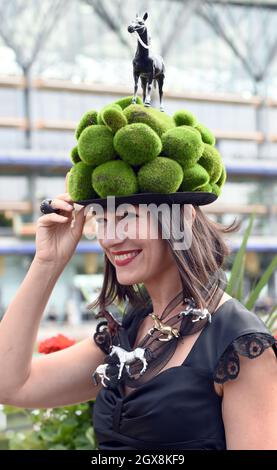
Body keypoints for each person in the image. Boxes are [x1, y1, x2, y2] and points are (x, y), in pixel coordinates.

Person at [0, 97, 276, 451]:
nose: (111, 238)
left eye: (128, 215)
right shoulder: (132, 331)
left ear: (183, 217)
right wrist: (48, 262)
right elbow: (10, 384)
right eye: (103, 219)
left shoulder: (240, 346)